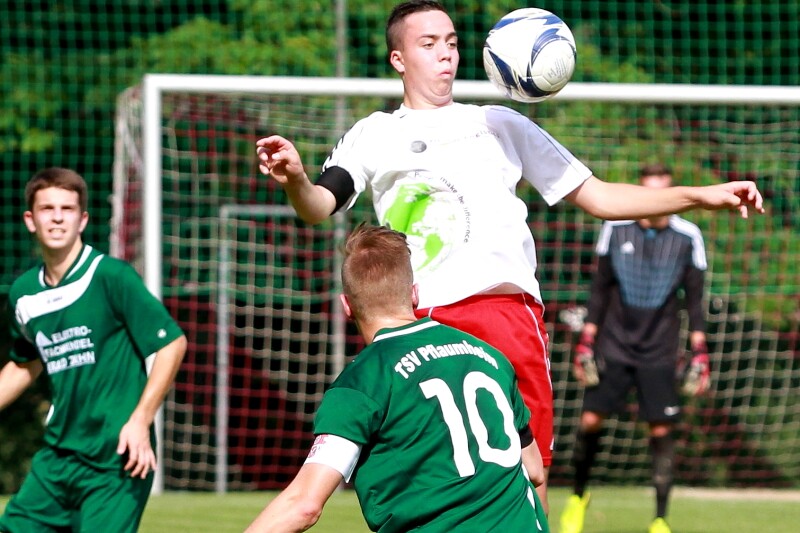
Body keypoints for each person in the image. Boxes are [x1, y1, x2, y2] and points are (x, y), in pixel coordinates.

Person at [254, 0, 763, 512]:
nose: (445, 54)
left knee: (531, 475)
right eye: (428, 44)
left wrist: (699, 196)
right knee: (440, 481)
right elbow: (319, 205)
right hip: (426, 323)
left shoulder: (500, 124)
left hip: (508, 317)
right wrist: (296, 178)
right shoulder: (375, 133)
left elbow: (602, 198)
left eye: (452, 43)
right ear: (398, 59)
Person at [245, 224, 549, 532]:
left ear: (346, 305)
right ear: (414, 294)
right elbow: (535, 470)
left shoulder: (362, 382)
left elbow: (304, 505)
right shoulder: (490, 357)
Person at [0, 168, 187, 532]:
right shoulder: (23, 294)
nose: (57, 217)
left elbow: (171, 343)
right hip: (58, 458)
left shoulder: (111, 276)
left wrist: (140, 420)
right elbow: (25, 364)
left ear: (82, 219)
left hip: (116, 459)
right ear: (30, 220)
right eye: (47, 208)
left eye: (67, 209)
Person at [559, 164, 711, 533]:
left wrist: (701, 352)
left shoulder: (688, 236)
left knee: (661, 431)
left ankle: (660, 519)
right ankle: (578, 497)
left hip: (660, 349)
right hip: (614, 344)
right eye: (646, 193)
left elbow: (695, 301)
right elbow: (599, 290)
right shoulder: (615, 228)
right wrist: (587, 340)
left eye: (660, 193)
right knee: (590, 421)